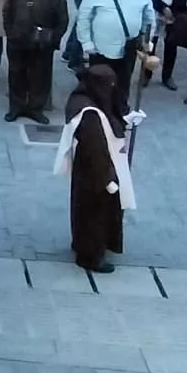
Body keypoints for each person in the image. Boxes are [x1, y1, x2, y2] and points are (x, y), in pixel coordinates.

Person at [55, 65, 136, 273]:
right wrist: (108, 179)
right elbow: (96, 149)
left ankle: (84, 245)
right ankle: (91, 256)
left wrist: (127, 120)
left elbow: (109, 122)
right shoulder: (89, 114)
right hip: (96, 172)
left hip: (90, 169)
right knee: (95, 214)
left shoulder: (86, 100)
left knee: (85, 210)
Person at [71, 0, 155, 111]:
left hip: (129, 45)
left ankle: (120, 109)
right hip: (100, 47)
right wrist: (86, 43)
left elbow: (149, 16)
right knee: (99, 81)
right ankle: (99, 109)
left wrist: (147, 39)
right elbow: (83, 18)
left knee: (124, 80)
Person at [3, 0, 69, 124]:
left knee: (39, 77)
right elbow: (7, 11)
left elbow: (62, 20)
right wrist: (10, 33)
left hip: (41, 46)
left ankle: (35, 108)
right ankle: (16, 107)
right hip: (17, 43)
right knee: (16, 74)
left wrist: (52, 40)